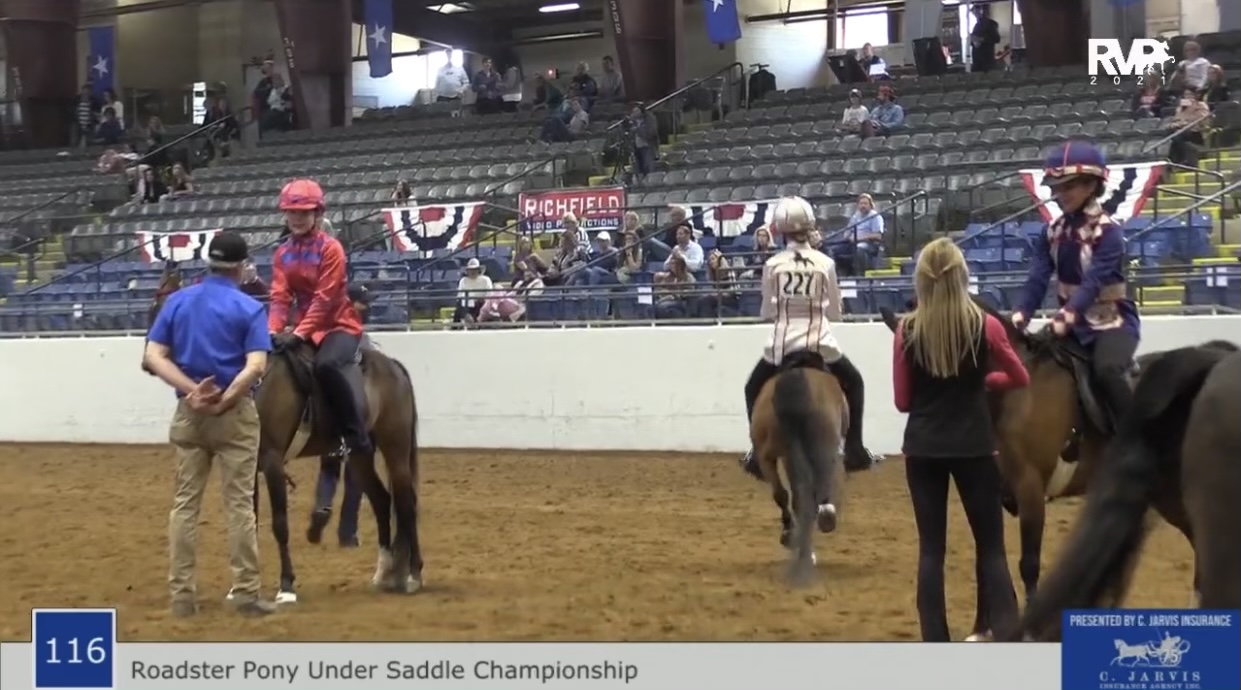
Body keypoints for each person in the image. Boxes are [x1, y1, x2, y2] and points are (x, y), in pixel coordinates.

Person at [891, 237, 1027, 642]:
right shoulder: (987, 325)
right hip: (974, 445)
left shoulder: (906, 329)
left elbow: (902, 402)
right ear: (962, 277)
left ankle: (936, 641)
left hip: (923, 447)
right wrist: (986, 381)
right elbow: (1019, 377)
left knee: (931, 550)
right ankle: (1007, 632)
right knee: (991, 548)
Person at [142, 230, 277, 618]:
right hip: (234, 415)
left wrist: (192, 392)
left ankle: (182, 596)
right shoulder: (248, 307)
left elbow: (154, 356)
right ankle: (246, 592)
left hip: (190, 413)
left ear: (209, 262)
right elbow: (256, 366)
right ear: (241, 266)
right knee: (239, 506)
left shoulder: (178, 301)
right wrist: (226, 399)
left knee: (185, 505)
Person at [739, 196, 881, 480]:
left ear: (781, 230)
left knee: (752, 387)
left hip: (781, 346)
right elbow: (835, 312)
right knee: (855, 382)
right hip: (820, 343)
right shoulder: (825, 262)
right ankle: (855, 448)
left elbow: (767, 312)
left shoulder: (773, 265)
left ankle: (756, 451)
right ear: (809, 226)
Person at [1013, 141, 1140, 433]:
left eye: (1068, 186)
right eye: (1056, 188)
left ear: (1091, 185)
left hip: (1113, 325)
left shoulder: (1108, 232)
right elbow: (1037, 279)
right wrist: (1020, 315)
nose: (1059, 194)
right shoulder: (1050, 232)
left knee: (1108, 371)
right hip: (1071, 329)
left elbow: (1092, 283)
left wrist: (1064, 318)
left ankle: (1137, 441)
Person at [267, 179, 371, 460]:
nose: (296, 218)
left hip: (339, 326)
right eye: (292, 212)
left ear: (318, 213)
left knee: (326, 365)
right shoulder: (282, 253)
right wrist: (272, 330)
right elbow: (280, 298)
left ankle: (354, 435)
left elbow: (325, 299)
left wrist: (298, 334)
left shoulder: (331, 249)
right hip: (302, 327)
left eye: (304, 213)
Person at [306, 282, 373, 548]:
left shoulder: (327, 338)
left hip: (333, 415)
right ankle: (348, 532)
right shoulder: (357, 339)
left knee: (329, 465)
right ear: (351, 303)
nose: (366, 307)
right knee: (355, 472)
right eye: (363, 302)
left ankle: (322, 505)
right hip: (356, 416)